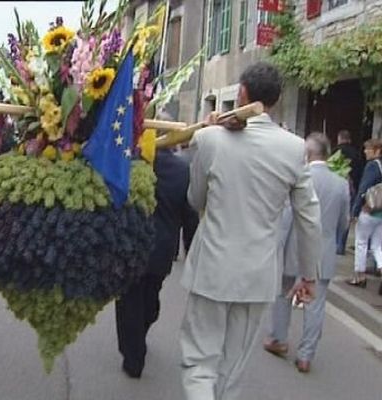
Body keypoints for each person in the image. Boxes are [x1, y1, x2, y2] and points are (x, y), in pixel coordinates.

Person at [179, 62, 321, 400]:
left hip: (212, 267)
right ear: (275, 100)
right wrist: (309, 275)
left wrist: (210, 138)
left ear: (242, 93)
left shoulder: (209, 138)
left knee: (200, 363)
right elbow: (309, 217)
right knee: (233, 368)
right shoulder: (294, 148)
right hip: (257, 274)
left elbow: (194, 198)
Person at [115, 117, 198, 378]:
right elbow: (190, 215)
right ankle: (138, 339)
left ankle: (132, 353)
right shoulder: (183, 170)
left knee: (129, 302)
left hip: (129, 245)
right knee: (150, 299)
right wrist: (192, 249)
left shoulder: (130, 162)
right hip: (162, 250)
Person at [264, 133, 350, 373]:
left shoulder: (297, 178)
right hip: (323, 252)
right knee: (316, 303)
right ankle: (305, 355)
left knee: (283, 294)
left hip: (295, 247)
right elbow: (344, 222)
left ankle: (278, 339)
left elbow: (286, 217)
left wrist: (277, 246)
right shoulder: (341, 184)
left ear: (308, 154)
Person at [347, 138, 382, 287]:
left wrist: (354, 210)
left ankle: (359, 276)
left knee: (361, 242)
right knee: (377, 245)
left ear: (376, 151)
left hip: (368, 210)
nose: (365, 151)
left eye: (368, 149)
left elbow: (363, 188)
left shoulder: (372, 166)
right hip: (380, 213)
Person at [334, 129, 363, 254]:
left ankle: (334, 244)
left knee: (334, 214)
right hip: (351, 189)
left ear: (339, 138)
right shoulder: (357, 153)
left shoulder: (336, 151)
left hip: (336, 186)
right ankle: (341, 246)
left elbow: (331, 168)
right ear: (349, 139)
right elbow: (359, 172)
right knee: (346, 216)